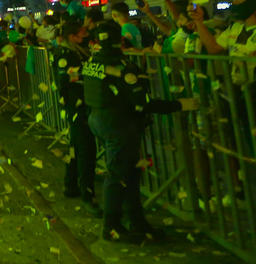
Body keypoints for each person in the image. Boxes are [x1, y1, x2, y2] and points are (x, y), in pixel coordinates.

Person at [83, 20, 198, 242]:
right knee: (119, 176)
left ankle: (137, 221)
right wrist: (179, 105)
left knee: (130, 173)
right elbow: (142, 102)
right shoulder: (122, 67)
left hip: (99, 120)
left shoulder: (92, 62)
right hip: (119, 124)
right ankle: (112, 227)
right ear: (119, 39)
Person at [52, 21, 100, 217]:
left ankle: (70, 185)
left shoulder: (76, 51)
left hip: (80, 105)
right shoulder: (66, 54)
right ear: (72, 36)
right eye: (82, 34)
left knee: (76, 147)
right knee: (86, 150)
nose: (85, 37)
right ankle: (88, 195)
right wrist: (94, 73)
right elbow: (66, 79)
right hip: (77, 106)